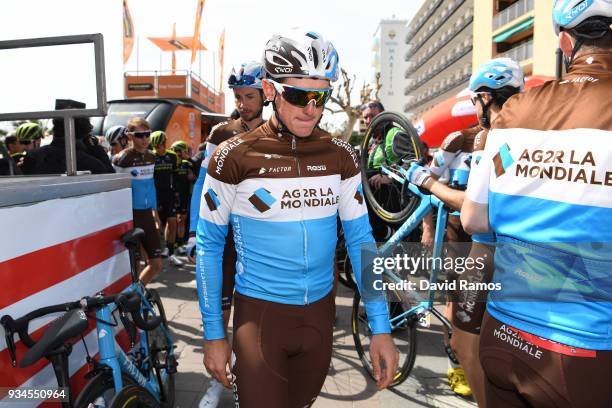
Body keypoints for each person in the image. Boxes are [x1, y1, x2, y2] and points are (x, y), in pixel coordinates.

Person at [197, 31, 398, 407]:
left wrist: (381, 327)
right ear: (271, 91)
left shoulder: (341, 155)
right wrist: (213, 335)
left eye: (320, 96)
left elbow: (360, 242)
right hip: (261, 318)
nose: (311, 108)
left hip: (320, 318)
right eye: (298, 95)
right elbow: (208, 247)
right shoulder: (233, 156)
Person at [461, 1, 612, 406]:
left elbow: (474, 219)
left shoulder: (514, 113)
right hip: (586, 350)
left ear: (565, 42)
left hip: (504, 332)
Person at [406, 57, 524, 405]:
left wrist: (426, 181)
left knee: (467, 341)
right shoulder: (474, 139)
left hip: (484, 249)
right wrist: (429, 226)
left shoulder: (493, 138)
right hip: (492, 250)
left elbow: (476, 208)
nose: (474, 107)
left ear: (485, 98)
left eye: (476, 99)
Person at [192, 61, 266, 408]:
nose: (242, 103)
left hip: (260, 238)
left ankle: (246, 385)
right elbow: (201, 185)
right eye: (238, 96)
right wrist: (195, 231)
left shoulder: (279, 131)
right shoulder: (220, 132)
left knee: (254, 323)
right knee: (219, 316)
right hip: (224, 237)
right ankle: (217, 383)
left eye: (249, 96)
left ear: (266, 94)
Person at [112, 117, 163, 285]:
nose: (145, 139)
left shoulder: (151, 157)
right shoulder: (122, 159)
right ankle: (131, 299)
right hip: (129, 215)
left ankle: (138, 294)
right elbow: (116, 192)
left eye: (147, 134)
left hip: (147, 214)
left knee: (156, 264)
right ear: (130, 136)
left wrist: (155, 215)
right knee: (134, 264)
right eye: (140, 135)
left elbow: (152, 186)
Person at [21, 100, 113, 175]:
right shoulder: (94, 164)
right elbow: (112, 184)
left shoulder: (32, 157)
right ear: (85, 133)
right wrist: (96, 148)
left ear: (55, 128)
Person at [150, 130, 183, 266]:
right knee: (157, 226)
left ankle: (170, 252)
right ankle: (157, 251)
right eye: (155, 146)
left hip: (170, 195)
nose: (158, 149)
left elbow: (177, 177)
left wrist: (177, 193)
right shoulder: (150, 157)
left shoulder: (173, 156)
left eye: (160, 145)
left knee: (173, 223)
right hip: (156, 195)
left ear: (164, 143)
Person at [169, 140, 194, 251]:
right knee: (173, 221)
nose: (180, 154)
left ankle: (179, 243)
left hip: (184, 195)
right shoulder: (171, 164)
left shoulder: (186, 163)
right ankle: (171, 243)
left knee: (182, 220)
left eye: (182, 152)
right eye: (178, 151)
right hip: (173, 196)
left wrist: (189, 160)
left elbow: (194, 175)